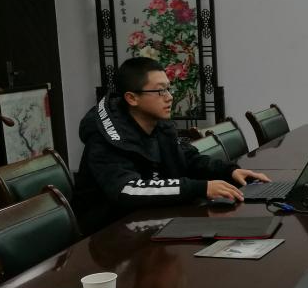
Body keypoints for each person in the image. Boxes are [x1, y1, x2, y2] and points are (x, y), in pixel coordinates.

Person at [73, 57, 269, 234]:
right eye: (160, 91)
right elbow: (127, 190)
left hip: (155, 220)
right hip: (112, 236)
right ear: (132, 98)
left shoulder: (159, 124)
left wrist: (229, 171)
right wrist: (199, 188)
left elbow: (188, 158)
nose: (169, 97)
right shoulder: (105, 139)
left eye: (168, 88)